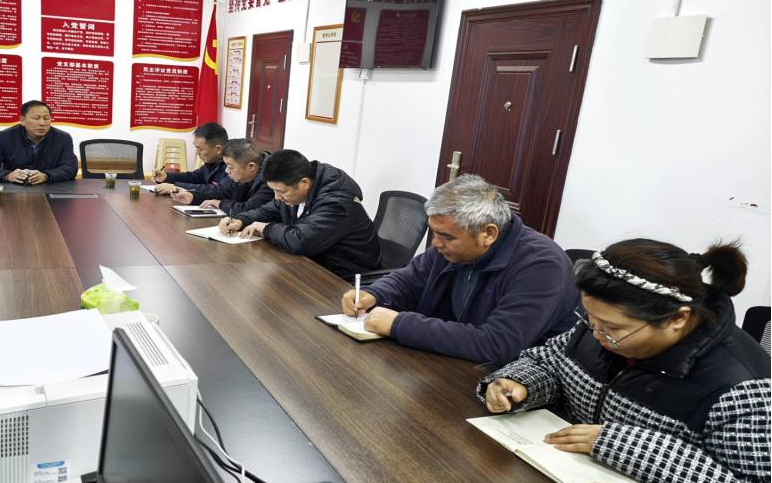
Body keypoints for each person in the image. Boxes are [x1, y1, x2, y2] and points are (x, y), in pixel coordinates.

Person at [480, 240, 771, 483]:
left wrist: (625, 446)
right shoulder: (601, 328)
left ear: (677, 318)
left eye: (612, 328)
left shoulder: (743, 391)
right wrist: (520, 383)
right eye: (590, 318)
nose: (596, 334)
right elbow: (549, 360)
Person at [342, 174, 578, 365]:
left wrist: (399, 324)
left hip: (512, 384)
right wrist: (374, 294)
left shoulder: (541, 265)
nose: (435, 243)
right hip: (452, 363)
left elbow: (497, 344)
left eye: (446, 236)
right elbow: (409, 279)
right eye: (434, 232)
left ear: (488, 233)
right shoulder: (451, 247)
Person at [219, 149, 381, 280]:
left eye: (281, 192)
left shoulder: (337, 203)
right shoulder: (299, 189)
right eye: (274, 191)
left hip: (345, 279)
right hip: (313, 266)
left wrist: (266, 228)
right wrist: (241, 220)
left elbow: (301, 241)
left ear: (304, 183)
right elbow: (270, 209)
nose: (277, 197)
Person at [0, 100, 78, 184]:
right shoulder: (5, 136)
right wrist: (8, 176)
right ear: (22, 120)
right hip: (13, 190)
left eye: (46, 118)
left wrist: (46, 176)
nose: (42, 123)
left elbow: (70, 168)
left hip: (50, 188)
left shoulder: (63, 138)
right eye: (36, 118)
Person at [171, 138, 274, 217]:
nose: (226, 170)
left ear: (251, 166)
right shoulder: (242, 172)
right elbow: (222, 192)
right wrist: (193, 197)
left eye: (230, 167)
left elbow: (249, 209)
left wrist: (219, 204)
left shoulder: (270, 181)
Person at [152, 122, 229, 195]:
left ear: (218, 149)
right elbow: (195, 177)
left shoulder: (231, 165)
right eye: (196, 147)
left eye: (200, 149)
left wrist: (176, 187)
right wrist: (167, 177)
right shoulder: (213, 162)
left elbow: (218, 190)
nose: (197, 153)